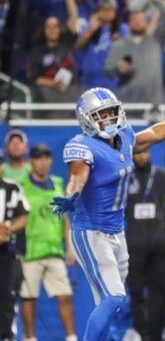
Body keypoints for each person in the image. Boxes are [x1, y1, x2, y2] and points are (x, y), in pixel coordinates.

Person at [50, 88, 165, 341]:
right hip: (91, 233)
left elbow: (155, 133)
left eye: (112, 113)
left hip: (117, 233)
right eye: (101, 115)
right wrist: (72, 195)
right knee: (113, 298)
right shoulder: (81, 146)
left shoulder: (124, 137)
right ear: (87, 119)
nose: (110, 120)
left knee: (111, 302)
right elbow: (77, 177)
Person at [125, 148, 165, 341]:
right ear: (131, 155)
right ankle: (144, 334)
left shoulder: (162, 176)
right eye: (137, 153)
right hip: (134, 246)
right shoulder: (125, 178)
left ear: (151, 153)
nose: (141, 156)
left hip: (161, 245)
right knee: (136, 293)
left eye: (144, 152)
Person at [19, 144, 77, 341]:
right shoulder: (21, 185)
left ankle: (71, 337)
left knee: (65, 295)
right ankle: (30, 338)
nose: (43, 162)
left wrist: (69, 247)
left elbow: (64, 220)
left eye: (46, 157)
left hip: (54, 250)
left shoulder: (58, 184)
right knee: (28, 297)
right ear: (31, 161)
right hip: (29, 250)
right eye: (38, 157)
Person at [0, 150, 30, 341]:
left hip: (5, 251)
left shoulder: (13, 188)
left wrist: (7, 230)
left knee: (6, 296)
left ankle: (6, 336)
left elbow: (24, 216)